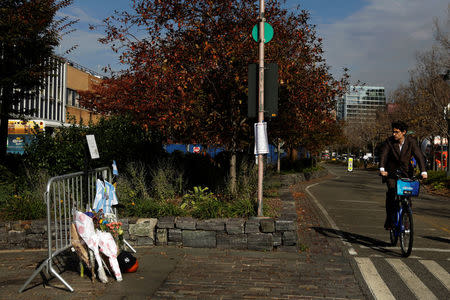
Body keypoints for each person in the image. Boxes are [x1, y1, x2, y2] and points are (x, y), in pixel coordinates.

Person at [379, 121, 427, 229]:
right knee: (392, 193)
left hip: (407, 173)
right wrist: (382, 169)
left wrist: (423, 172)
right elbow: (384, 155)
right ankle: (390, 219)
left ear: (404, 132)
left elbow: (419, 156)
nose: (394, 134)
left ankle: (406, 220)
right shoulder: (389, 142)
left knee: (407, 196)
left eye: (397, 132)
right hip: (391, 173)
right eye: (393, 132)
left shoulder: (411, 142)